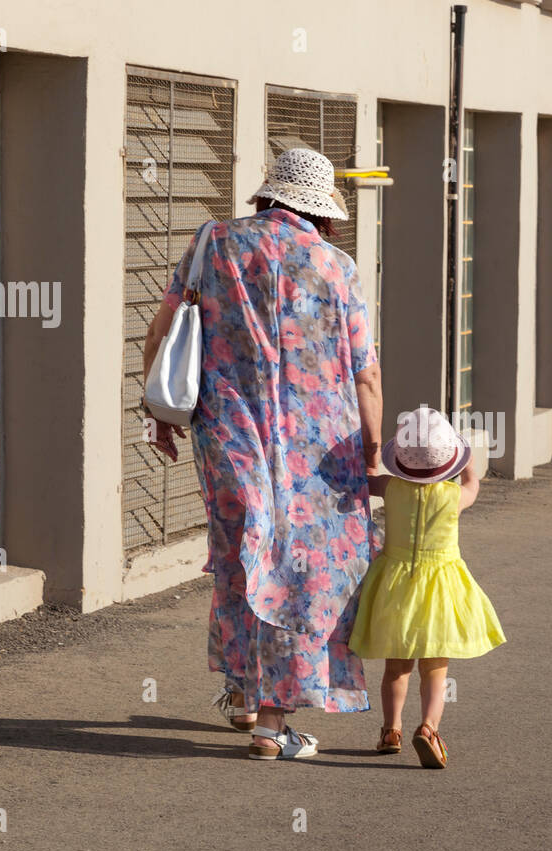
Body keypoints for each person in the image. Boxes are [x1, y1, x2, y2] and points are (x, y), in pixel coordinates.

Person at [142, 148, 383, 760]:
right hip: (320, 452)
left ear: (268, 195)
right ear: (321, 209)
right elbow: (366, 374)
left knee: (241, 555)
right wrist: (376, 453)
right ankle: (275, 724)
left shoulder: (212, 242)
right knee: (302, 571)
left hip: (228, 433)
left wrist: (158, 411)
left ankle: (244, 694)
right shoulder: (336, 267)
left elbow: (162, 330)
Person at [348, 407, 506, 768]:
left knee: (396, 668)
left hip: (396, 586)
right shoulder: (453, 496)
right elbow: (473, 483)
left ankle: (391, 730)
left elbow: (366, 480)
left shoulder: (391, 488)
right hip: (442, 588)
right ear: (448, 460)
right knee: (435, 669)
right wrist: (465, 457)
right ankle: (429, 728)